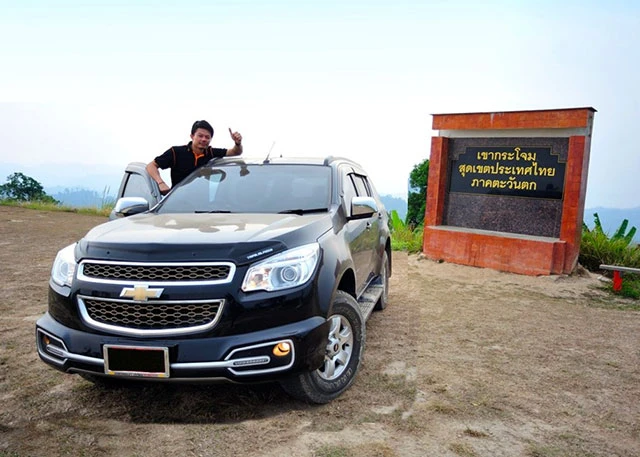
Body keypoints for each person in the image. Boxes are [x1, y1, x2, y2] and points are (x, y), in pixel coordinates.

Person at [146, 120, 243, 195]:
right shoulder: (176, 152)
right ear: (192, 136)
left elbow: (235, 152)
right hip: (177, 202)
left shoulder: (211, 152)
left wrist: (237, 143)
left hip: (203, 203)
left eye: (207, 137)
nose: (204, 139)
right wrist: (161, 183)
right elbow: (151, 166)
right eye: (200, 136)